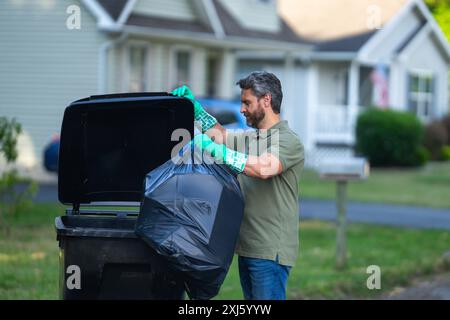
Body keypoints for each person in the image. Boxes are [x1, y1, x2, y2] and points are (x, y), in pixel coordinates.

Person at [171, 71, 304, 300]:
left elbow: (264, 168)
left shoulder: (288, 140)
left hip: (271, 251)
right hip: (248, 248)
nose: (242, 109)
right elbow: (219, 135)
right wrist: (194, 108)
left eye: (247, 102)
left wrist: (219, 152)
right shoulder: (252, 138)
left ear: (267, 100)